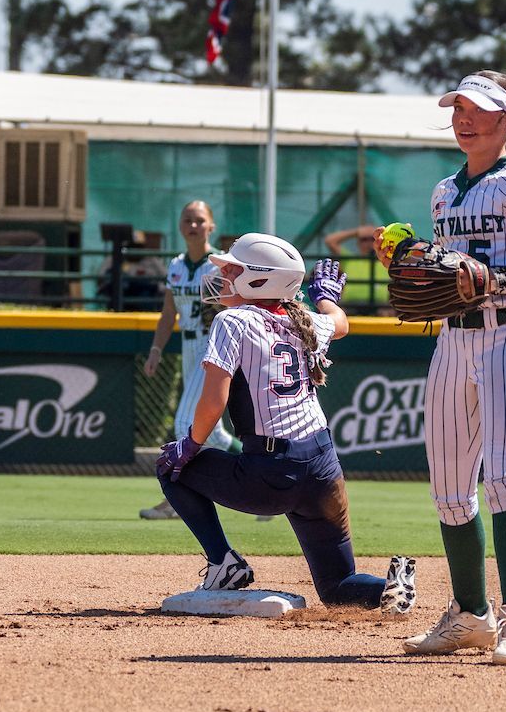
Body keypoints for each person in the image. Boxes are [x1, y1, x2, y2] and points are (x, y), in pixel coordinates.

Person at [388, 72, 506, 665]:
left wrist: (495, 278)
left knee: (503, 477)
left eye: (479, 110)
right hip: (452, 344)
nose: (464, 118)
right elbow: (449, 272)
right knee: (449, 491)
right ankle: (471, 615)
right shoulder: (445, 191)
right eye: (459, 109)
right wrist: (416, 260)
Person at [153, 233, 417, 614]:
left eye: (233, 269)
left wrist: (190, 444)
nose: (223, 274)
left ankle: (223, 564)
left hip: (272, 472)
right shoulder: (303, 318)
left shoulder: (233, 320)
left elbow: (213, 401)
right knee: (336, 586)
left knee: (170, 468)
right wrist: (325, 296)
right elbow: (339, 323)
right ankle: (388, 588)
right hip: (323, 467)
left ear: (259, 278)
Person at [139, 201, 261, 521]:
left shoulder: (219, 265)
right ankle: (262, 475)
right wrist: (155, 350)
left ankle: (180, 497)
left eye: (199, 220)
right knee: (216, 435)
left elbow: (236, 306)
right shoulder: (176, 266)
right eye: (188, 220)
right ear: (180, 226)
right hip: (188, 345)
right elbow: (169, 315)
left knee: (186, 423)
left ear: (212, 226)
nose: (193, 225)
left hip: (214, 346)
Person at [324, 224, 390, 314]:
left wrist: (381, 233)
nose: (368, 243)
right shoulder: (350, 259)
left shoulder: (386, 260)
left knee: (387, 312)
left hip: (379, 307)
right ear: (358, 243)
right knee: (340, 312)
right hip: (350, 306)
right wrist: (357, 232)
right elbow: (330, 240)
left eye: (372, 239)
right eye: (364, 240)